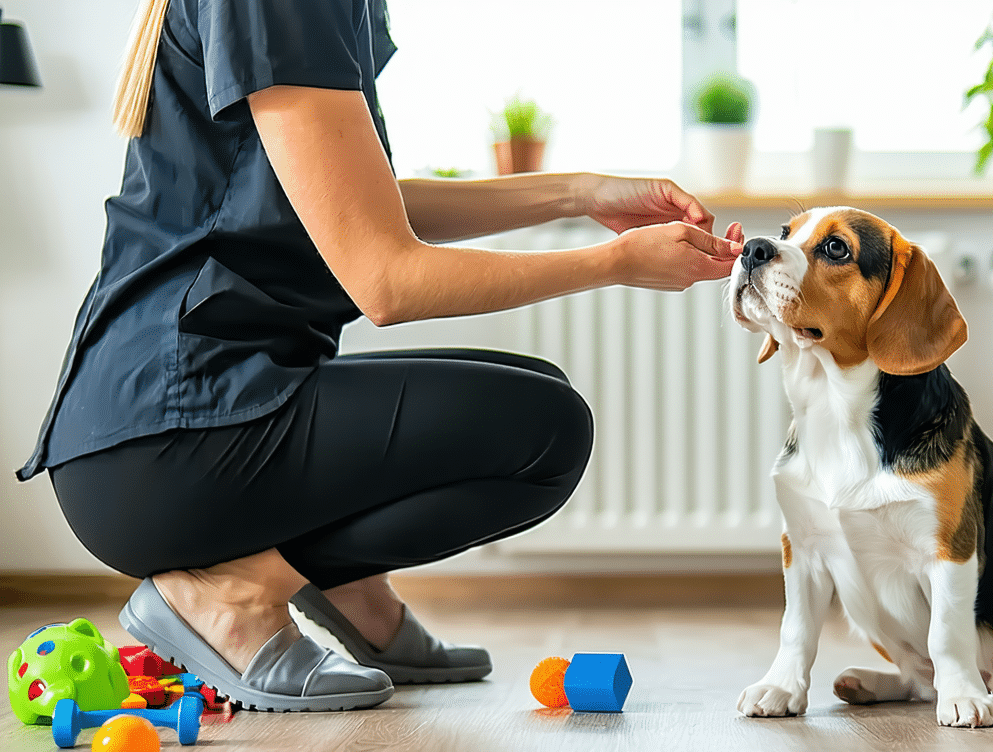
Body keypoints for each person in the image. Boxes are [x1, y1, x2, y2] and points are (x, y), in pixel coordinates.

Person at [15, 0, 744, 712]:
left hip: (174, 426)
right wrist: (611, 263)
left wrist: (579, 192)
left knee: (535, 388)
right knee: (544, 429)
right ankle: (234, 592)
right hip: (167, 436)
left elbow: (351, 197)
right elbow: (388, 281)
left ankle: (336, 583)